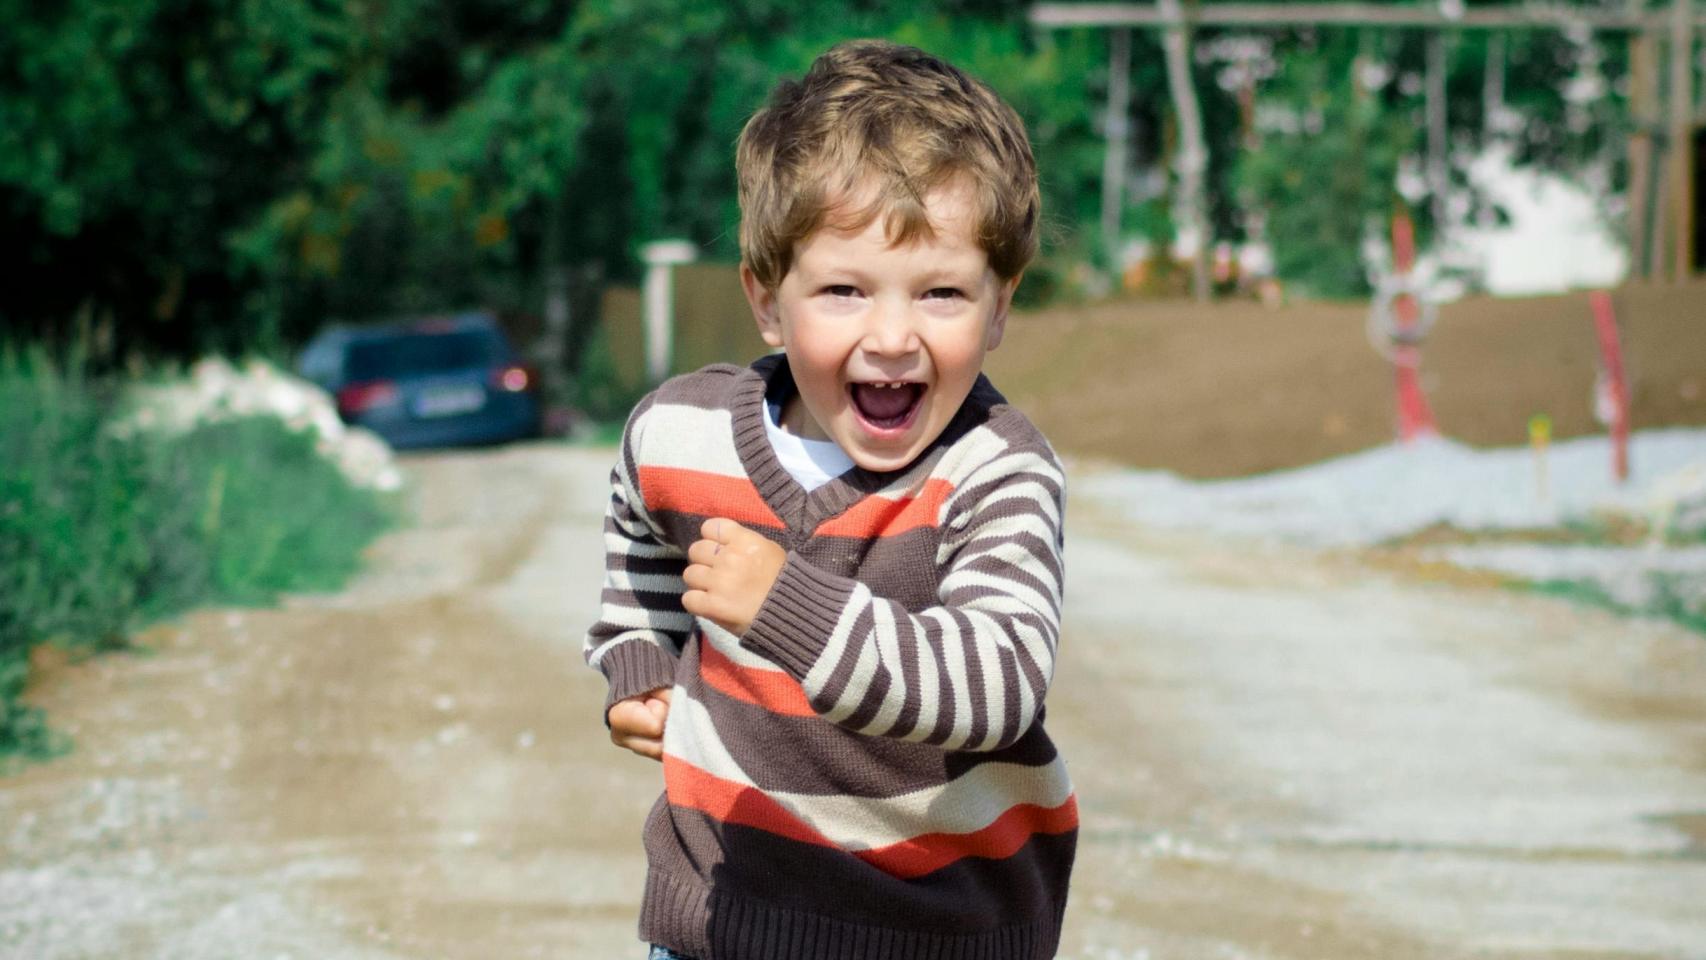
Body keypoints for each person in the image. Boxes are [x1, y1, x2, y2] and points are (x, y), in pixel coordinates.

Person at [584, 38, 1075, 960]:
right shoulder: (679, 432)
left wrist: (786, 606)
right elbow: (640, 530)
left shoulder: (996, 471)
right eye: (844, 290)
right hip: (718, 920)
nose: (892, 336)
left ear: (1000, 307)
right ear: (768, 301)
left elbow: (999, 683)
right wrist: (640, 660)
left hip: (935, 931)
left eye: (941, 293)